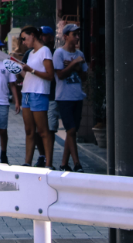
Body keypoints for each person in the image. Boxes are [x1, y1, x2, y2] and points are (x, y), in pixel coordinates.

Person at [18, 24, 55, 168]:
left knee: (42, 130)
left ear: (33, 35)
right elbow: (28, 73)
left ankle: (48, 164)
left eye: (24, 38)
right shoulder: (32, 52)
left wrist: (31, 70)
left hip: (39, 93)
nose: (23, 42)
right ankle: (27, 162)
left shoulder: (44, 51)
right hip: (26, 91)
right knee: (29, 130)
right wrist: (18, 69)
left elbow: (50, 75)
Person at [53, 24, 89, 171]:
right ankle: (77, 163)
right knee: (71, 130)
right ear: (66, 36)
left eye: (78, 34)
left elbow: (85, 76)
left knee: (71, 132)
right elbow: (60, 75)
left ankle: (63, 164)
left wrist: (77, 67)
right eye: (74, 34)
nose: (77, 37)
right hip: (64, 97)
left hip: (77, 96)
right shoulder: (59, 54)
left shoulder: (80, 54)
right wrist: (73, 64)